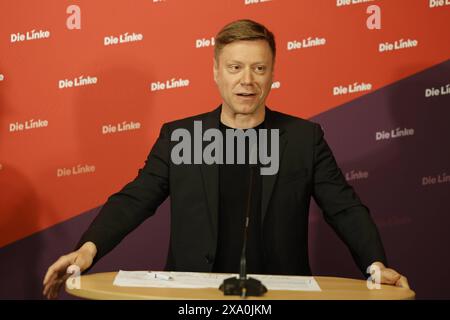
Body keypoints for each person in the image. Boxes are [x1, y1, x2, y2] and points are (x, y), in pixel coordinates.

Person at [43, 19, 409, 299]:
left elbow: (343, 207)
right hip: (193, 296)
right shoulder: (181, 136)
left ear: (272, 74)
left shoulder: (303, 139)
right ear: (215, 71)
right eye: (235, 67)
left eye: (259, 68)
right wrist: (87, 250)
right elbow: (136, 198)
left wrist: (375, 264)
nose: (246, 80)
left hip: (277, 296)